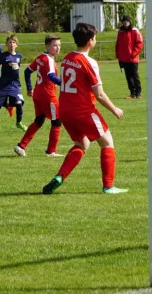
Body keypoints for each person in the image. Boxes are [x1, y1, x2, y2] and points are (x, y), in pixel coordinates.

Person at [42, 22, 128, 195]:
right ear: (90, 41)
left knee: (82, 143)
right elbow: (100, 94)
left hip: (65, 111)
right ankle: (109, 186)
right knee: (107, 142)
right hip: (83, 110)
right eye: (95, 38)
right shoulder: (90, 62)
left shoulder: (67, 58)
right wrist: (114, 109)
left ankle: (59, 177)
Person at [14, 35, 63, 157]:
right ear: (47, 46)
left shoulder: (41, 57)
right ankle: (51, 151)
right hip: (48, 95)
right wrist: (64, 84)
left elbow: (27, 71)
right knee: (57, 121)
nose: (58, 48)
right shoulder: (49, 60)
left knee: (39, 120)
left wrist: (30, 87)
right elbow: (51, 76)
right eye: (55, 45)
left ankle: (21, 146)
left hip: (38, 94)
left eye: (59, 45)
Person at [0, 35, 27, 134]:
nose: (12, 44)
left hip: (15, 85)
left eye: (13, 42)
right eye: (10, 42)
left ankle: (19, 123)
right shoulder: (3, 56)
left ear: (16, 44)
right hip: (4, 85)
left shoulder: (19, 56)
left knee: (19, 103)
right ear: (6, 44)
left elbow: (17, 68)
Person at [115, 15, 143, 99]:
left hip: (133, 59)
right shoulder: (120, 32)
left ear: (129, 22)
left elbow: (140, 43)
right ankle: (132, 93)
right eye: (124, 21)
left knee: (135, 76)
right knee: (128, 77)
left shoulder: (134, 31)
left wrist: (133, 54)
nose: (125, 23)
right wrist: (118, 55)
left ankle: (138, 93)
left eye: (127, 21)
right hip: (124, 58)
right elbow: (118, 44)